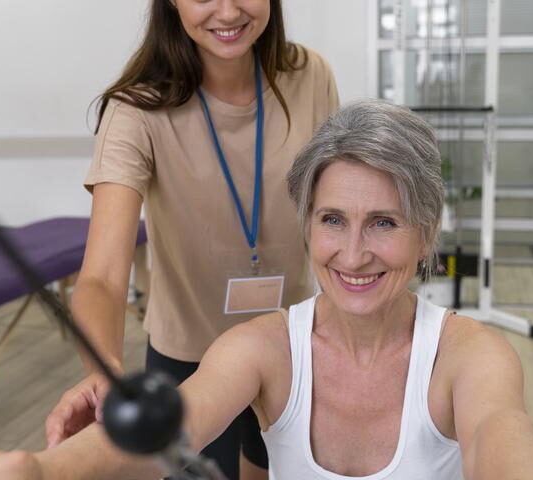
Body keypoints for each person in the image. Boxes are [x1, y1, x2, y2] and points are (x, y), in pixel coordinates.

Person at [0, 100, 533, 480]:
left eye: (384, 223)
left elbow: (500, 439)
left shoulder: (471, 356)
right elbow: (172, 429)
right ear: (307, 226)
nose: (354, 253)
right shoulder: (264, 349)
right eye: (332, 220)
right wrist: (37, 473)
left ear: (426, 236)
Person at [44, 0, 339, 479]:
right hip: (190, 356)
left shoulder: (310, 75)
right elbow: (101, 276)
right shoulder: (135, 109)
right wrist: (105, 372)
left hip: (292, 343)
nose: (226, 11)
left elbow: (334, 204)